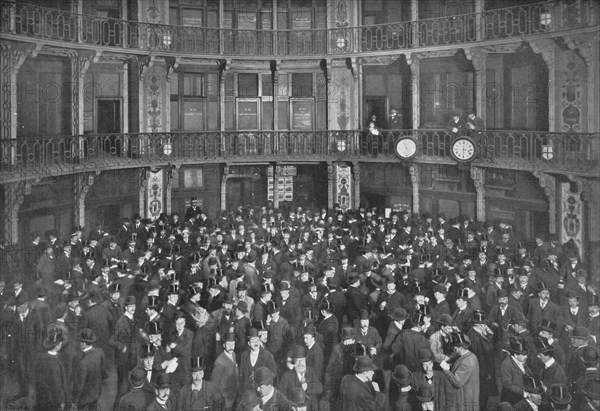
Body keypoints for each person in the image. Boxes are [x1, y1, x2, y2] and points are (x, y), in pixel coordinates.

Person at [440, 332, 480, 411]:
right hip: (470, 395)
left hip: (464, 398)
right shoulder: (471, 356)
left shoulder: (467, 362)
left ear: (461, 348)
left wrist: (446, 370)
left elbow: (457, 382)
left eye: (455, 347)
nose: (453, 349)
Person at [72, 328, 109, 410]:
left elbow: (79, 385)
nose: (79, 344)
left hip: (84, 399)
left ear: (83, 344)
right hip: (96, 392)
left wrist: (74, 401)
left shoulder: (82, 363)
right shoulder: (100, 352)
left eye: (80, 342)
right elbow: (104, 372)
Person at [34, 324, 67, 411]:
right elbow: (56, 386)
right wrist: (60, 402)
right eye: (60, 343)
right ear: (57, 346)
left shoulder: (40, 356)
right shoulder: (54, 364)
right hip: (52, 401)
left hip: (41, 397)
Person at [210, 331, 239, 411]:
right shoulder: (219, 362)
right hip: (225, 402)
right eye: (228, 344)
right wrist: (221, 399)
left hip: (234, 397)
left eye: (233, 344)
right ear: (223, 345)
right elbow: (213, 384)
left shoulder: (233, 354)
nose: (231, 347)